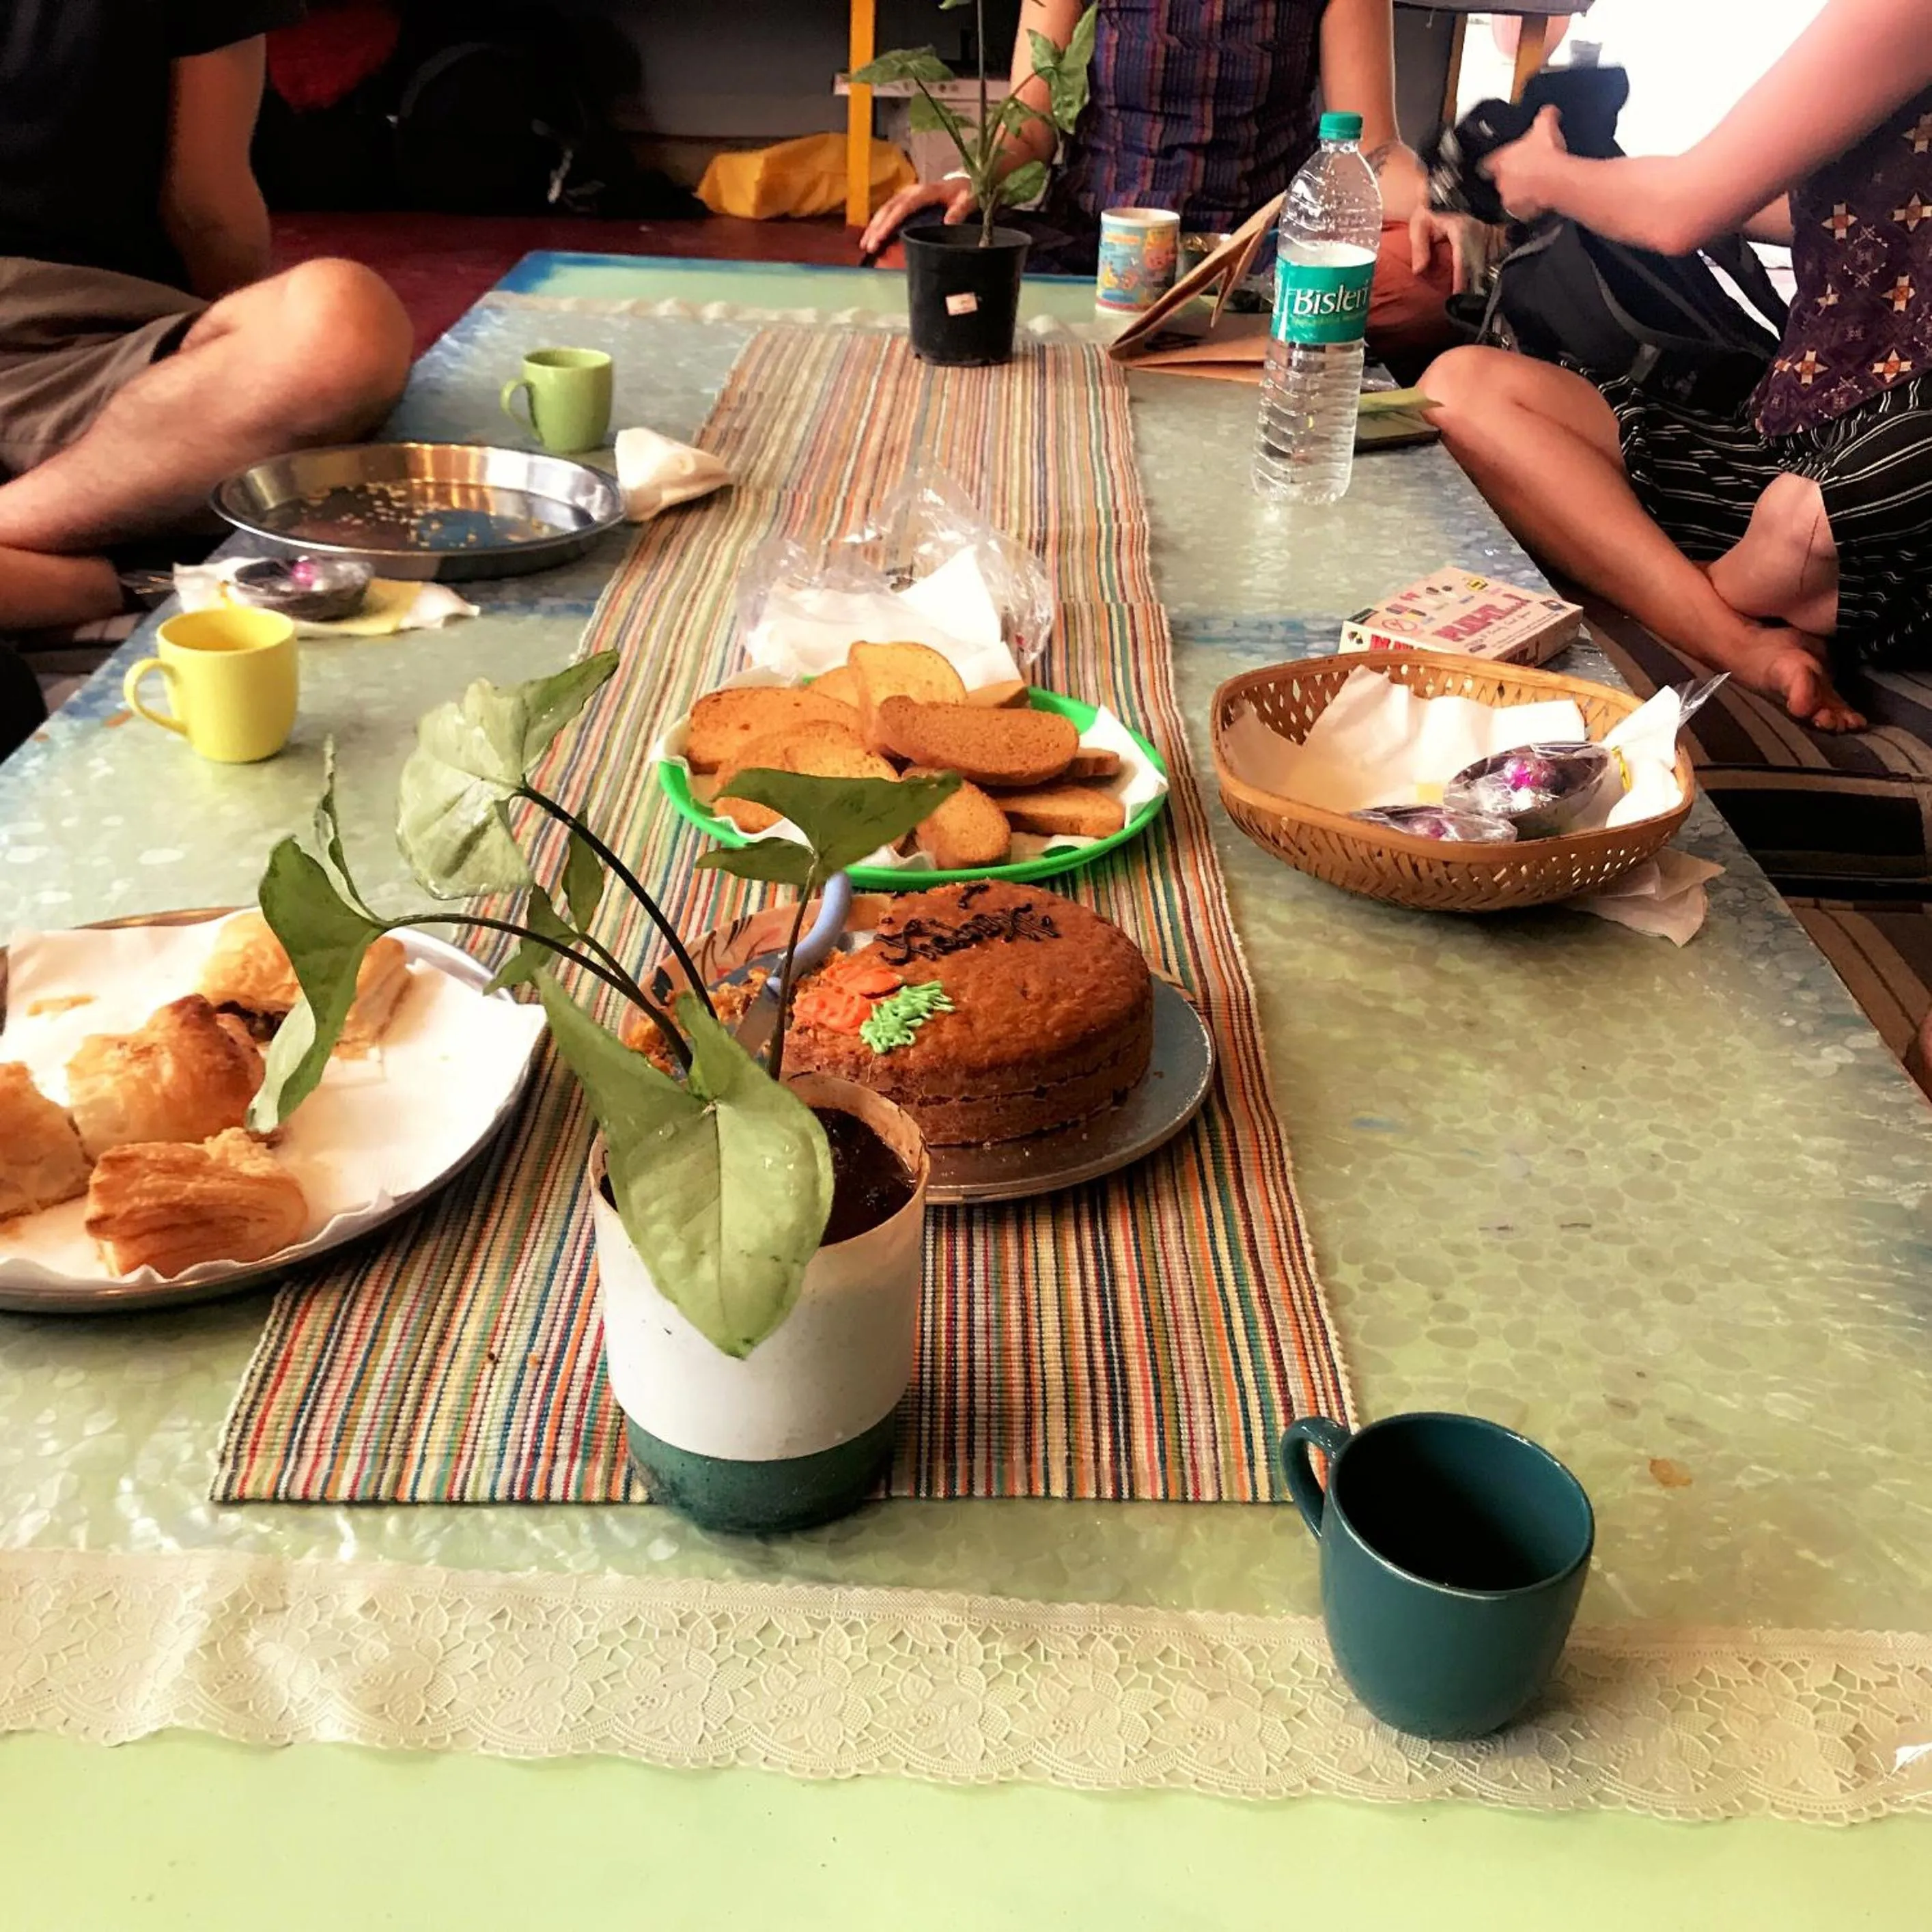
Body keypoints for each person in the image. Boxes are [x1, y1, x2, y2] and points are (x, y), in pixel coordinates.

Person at [1419, 0, 1932, 733]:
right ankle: (1743, 631)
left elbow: (1677, 214)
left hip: (1890, 468)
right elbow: (1813, 207)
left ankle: (1779, 571)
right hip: (1801, 434)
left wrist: (1547, 179)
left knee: (1818, 511)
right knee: (1459, 390)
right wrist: (1589, 174)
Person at [0, 5, 414, 635]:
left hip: (94, 351)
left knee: (340, 328)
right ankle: (103, 582)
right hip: (89, 393)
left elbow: (209, 212)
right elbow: (208, 208)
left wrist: (231, 377)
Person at [860, 0, 1470, 363]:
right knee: (908, 249)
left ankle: (1164, 339)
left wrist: (1437, 203)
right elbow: (1029, 123)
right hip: (1098, 243)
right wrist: (971, 175)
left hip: (1259, 257)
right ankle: (1228, 344)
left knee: (1433, 273)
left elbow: (1369, 147)